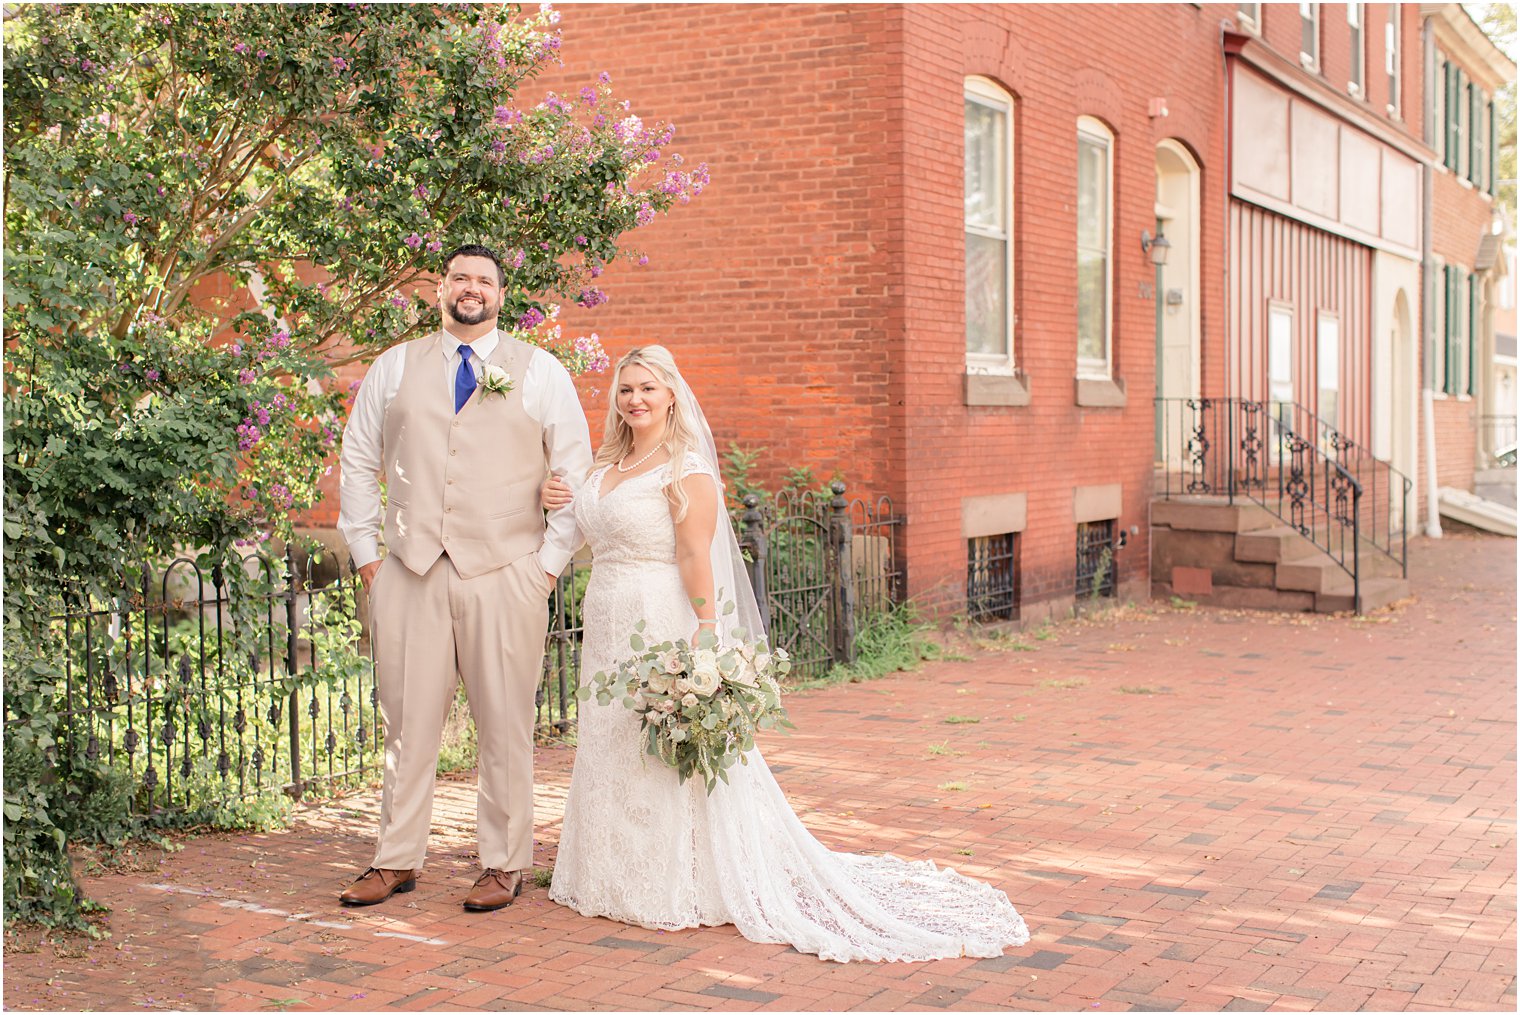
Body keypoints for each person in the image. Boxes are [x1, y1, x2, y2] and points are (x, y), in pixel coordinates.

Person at [540, 346, 1029, 962]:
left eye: (648, 388)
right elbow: (590, 527)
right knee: (610, 738)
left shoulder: (684, 468)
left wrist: (707, 630)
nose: (635, 399)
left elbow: (694, 555)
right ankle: (604, 871)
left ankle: (678, 881)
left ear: (672, 396)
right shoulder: (608, 462)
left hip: (658, 614)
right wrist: (558, 496)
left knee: (658, 744)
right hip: (606, 615)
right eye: (626, 389)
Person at [335, 244, 593, 911]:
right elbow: (359, 457)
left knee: (505, 724)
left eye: (484, 280)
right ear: (440, 290)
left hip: (506, 570)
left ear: (501, 296)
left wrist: (544, 568)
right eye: (459, 277)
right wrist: (368, 555)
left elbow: (575, 471)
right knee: (406, 720)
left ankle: (503, 862)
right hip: (409, 569)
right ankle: (395, 859)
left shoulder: (540, 372)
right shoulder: (394, 367)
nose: (470, 288)